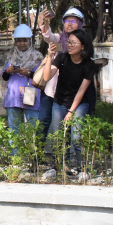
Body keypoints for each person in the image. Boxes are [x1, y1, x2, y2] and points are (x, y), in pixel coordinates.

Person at [40, 28, 98, 167]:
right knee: (59, 137)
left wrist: (71, 112)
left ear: (83, 46)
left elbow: (81, 91)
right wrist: (49, 57)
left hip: (80, 104)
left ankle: (81, 167)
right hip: (59, 102)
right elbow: (47, 77)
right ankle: (61, 166)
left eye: (73, 43)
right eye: (68, 42)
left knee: (77, 137)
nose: (69, 45)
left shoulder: (89, 64)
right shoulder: (62, 58)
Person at [38, 8, 85, 138]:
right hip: (52, 87)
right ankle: (37, 155)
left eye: (73, 21)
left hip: (72, 90)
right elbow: (48, 37)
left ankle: (66, 157)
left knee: (69, 126)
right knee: (43, 120)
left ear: (80, 23)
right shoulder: (59, 38)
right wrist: (47, 22)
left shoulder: (85, 43)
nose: (69, 24)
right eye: (67, 21)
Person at [1, 24, 43, 132]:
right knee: (14, 129)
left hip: (30, 95)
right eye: (19, 41)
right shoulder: (10, 55)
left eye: (25, 40)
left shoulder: (37, 57)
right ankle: (14, 150)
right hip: (13, 96)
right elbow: (4, 77)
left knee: (31, 129)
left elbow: (42, 77)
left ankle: (29, 149)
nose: (22, 43)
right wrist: (8, 71)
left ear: (30, 41)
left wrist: (28, 72)